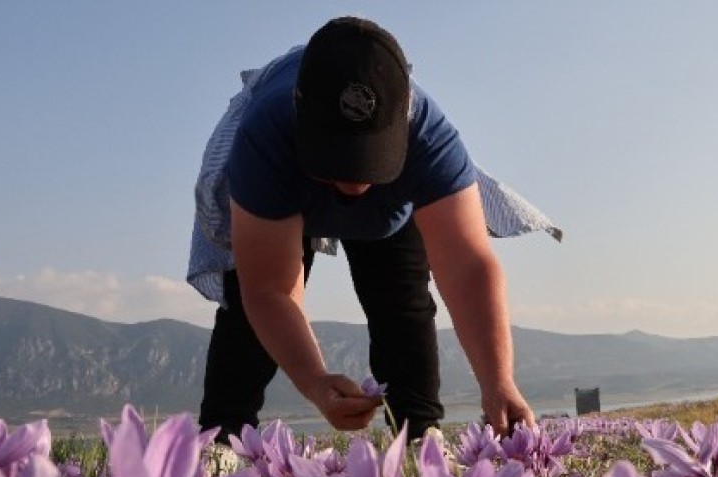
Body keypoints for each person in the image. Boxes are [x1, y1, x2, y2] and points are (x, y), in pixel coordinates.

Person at [186, 16, 558, 441]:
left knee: (400, 296)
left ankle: (419, 433)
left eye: (368, 162)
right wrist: (316, 382)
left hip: (391, 199)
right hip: (285, 180)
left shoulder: (430, 137)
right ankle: (224, 435)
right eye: (337, 163)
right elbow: (269, 289)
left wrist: (498, 382)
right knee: (244, 307)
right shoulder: (262, 137)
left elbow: (468, 266)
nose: (352, 184)